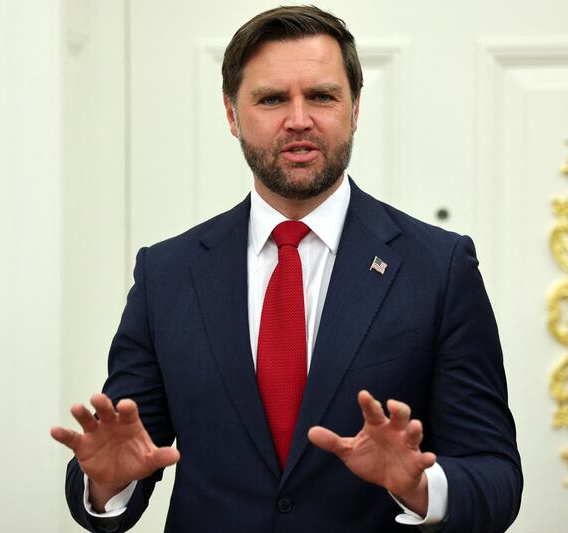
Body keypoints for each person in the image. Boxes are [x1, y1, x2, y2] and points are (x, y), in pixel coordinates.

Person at [51, 6, 522, 532]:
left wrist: (419, 487)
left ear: (355, 108)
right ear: (232, 115)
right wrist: (109, 483)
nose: (299, 119)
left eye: (321, 96)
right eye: (272, 98)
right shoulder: (167, 274)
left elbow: (496, 476)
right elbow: (125, 446)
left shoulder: (439, 267)